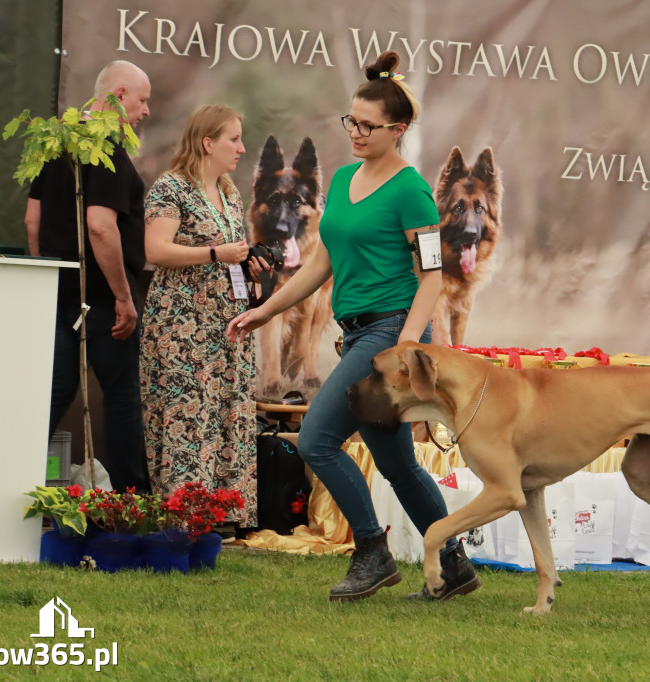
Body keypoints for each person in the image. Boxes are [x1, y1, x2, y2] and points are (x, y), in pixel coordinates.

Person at [227, 51, 479, 602]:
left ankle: (372, 551)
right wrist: (265, 309)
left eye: (367, 125)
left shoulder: (411, 190)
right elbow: (322, 264)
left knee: (316, 440)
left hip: (390, 334)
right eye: (351, 121)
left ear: (398, 130)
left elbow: (432, 277)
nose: (356, 132)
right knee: (397, 464)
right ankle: (455, 565)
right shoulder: (341, 181)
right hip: (361, 332)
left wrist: (409, 348)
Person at [25, 60, 152, 493]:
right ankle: (132, 498)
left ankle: (15, 478)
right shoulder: (107, 150)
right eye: (143, 100)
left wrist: (46, 278)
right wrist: (122, 296)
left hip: (58, 293)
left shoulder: (55, 145)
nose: (146, 111)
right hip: (100, 298)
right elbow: (100, 225)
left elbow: (32, 221)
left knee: (54, 394)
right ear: (118, 96)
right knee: (120, 399)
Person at [142, 104, 266, 529]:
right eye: (233, 139)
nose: (241, 148)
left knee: (226, 410)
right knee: (187, 414)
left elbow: (231, 253)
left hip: (226, 321)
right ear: (207, 142)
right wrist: (215, 253)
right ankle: (184, 516)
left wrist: (248, 265)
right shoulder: (170, 188)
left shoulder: (230, 192)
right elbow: (156, 251)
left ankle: (224, 513)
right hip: (182, 322)